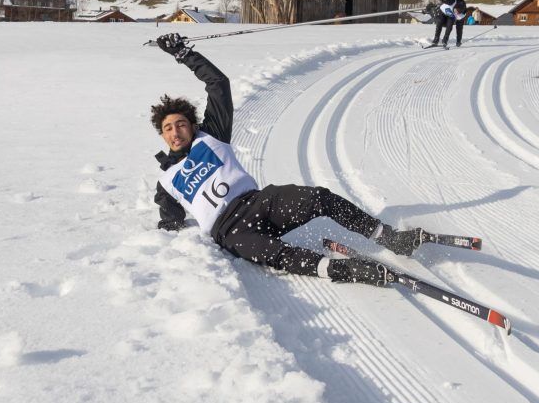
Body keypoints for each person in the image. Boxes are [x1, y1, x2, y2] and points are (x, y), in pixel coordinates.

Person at [151, 33, 425, 286]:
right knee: (277, 254)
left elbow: (218, 84)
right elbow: (170, 224)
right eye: (168, 128)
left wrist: (183, 53)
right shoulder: (166, 182)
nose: (176, 132)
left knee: (320, 198)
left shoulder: (211, 136)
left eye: (181, 123)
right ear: (162, 135)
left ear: (192, 124)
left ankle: (388, 237)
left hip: (258, 203)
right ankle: (345, 270)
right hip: (229, 233)